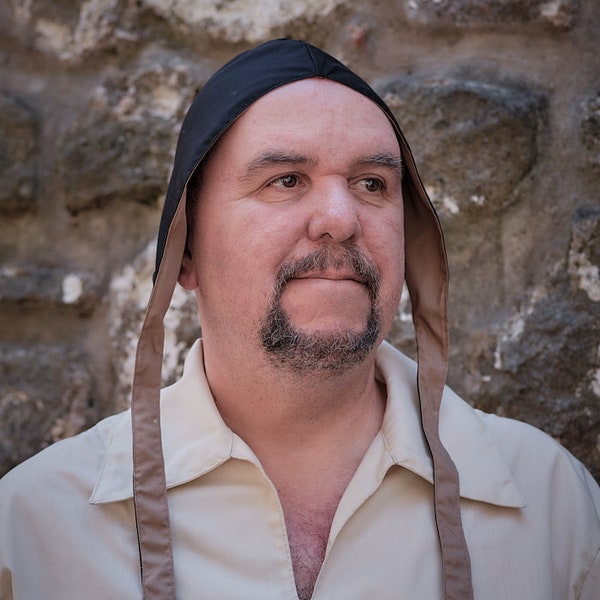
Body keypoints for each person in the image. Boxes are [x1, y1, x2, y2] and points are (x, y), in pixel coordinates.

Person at [0, 39, 599, 600]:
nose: (340, 217)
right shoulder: (36, 531)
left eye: (372, 184)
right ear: (185, 253)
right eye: (285, 180)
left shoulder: (551, 506)